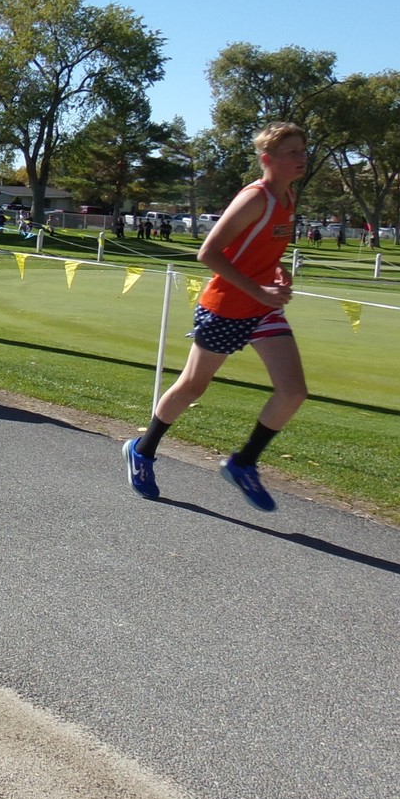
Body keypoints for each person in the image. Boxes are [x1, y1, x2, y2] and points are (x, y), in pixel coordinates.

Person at [122, 122, 309, 512]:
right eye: (292, 153)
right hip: (225, 309)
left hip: (262, 310)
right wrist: (259, 288)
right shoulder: (254, 199)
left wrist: (277, 273)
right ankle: (142, 449)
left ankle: (243, 463)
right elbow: (208, 253)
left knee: (293, 391)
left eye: (302, 151)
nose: (301, 158)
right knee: (192, 387)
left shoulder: (288, 197)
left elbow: (260, 252)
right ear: (267, 160)